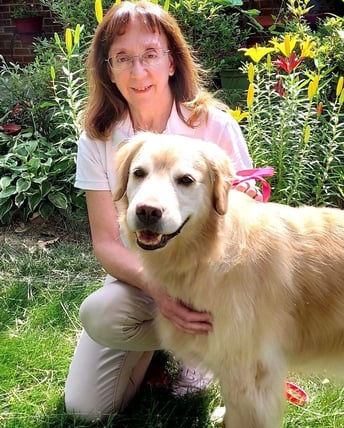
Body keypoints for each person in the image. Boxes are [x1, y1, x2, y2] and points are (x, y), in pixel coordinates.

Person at [64, 0, 259, 421]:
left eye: (150, 54)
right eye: (123, 59)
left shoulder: (214, 127)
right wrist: (162, 295)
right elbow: (106, 242)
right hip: (142, 280)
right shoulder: (99, 138)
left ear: (171, 61)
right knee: (87, 407)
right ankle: (159, 345)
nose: (138, 72)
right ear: (107, 69)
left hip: (214, 285)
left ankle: (204, 353)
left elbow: (249, 226)